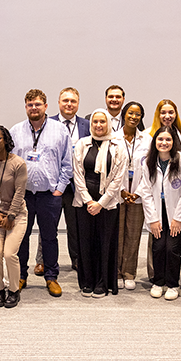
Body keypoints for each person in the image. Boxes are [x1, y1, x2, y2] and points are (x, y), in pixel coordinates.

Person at [10, 90, 72, 297]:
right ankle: (20, 276)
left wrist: (59, 189)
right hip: (23, 196)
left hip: (49, 195)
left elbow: (67, 163)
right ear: (25, 107)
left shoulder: (60, 131)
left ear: (46, 106)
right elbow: (9, 164)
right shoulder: (16, 131)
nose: (33, 108)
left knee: (50, 237)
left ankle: (51, 276)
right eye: (30, 104)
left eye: (37, 104)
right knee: (21, 237)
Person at [33, 87, 90, 274]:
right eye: (65, 100)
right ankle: (41, 260)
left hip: (77, 186)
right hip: (53, 185)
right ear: (58, 103)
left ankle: (77, 259)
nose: (69, 104)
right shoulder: (46, 124)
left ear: (78, 104)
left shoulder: (86, 125)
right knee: (47, 226)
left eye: (73, 101)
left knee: (76, 226)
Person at [72, 109, 127, 297]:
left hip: (108, 203)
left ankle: (103, 283)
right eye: (95, 121)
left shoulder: (118, 145)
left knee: (105, 243)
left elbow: (118, 179)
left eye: (102, 121)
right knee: (86, 243)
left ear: (108, 123)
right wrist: (89, 201)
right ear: (91, 123)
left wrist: (100, 203)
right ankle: (87, 281)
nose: (98, 125)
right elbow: (77, 174)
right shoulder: (82, 144)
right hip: (84, 201)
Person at [138, 126, 181, 300]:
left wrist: (178, 218)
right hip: (158, 212)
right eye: (160, 139)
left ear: (174, 142)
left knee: (172, 249)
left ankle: (172, 284)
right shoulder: (148, 161)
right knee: (158, 247)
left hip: (178, 214)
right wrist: (153, 219)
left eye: (168, 140)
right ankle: (158, 282)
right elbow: (146, 191)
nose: (164, 143)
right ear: (155, 141)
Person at [0, 126, 27, 308]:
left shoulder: (18, 163)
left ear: (6, 139)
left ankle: (14, 291)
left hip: (17, 215)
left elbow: (20, 191)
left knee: (9, 254)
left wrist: (10, 216)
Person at [117, 101, 148, 290]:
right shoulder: (113, 137)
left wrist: (138, 192)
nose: (134, 117)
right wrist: (120, 190)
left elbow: (150, 171)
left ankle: (129, 273)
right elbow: (110, 167)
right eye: (131, 113)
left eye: (138, 114)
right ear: (124, 114)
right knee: (117, 234)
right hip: (117, 194)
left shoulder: (148, 140)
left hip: (138, 194)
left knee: (133, 235)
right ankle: (116, 272)